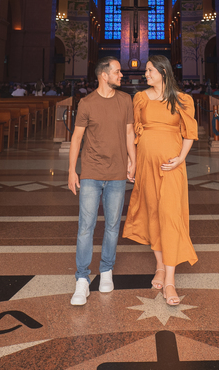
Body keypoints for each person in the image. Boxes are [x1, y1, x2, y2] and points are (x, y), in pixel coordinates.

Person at [123, 54, 198, 307]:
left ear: (163, 73)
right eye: (146, 71)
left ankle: (170, 281)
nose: (146, 75)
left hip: (171, 166)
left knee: (170, 215)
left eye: (150, 71)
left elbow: (189, 133)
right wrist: (132, 162)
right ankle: (159, 266)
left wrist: (180, 159)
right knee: (152, 212)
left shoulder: (184, 99)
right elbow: (133, 131)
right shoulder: (140, 98)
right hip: (145, 164)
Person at [68, 57, 135, 306]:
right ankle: (82, 280)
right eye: (117, 72)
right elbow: (76, 138)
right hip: (91, 173)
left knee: (112, 225)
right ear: (103, 75)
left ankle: (106, 270)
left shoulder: (125, 100)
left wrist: (133, 161)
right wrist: (71, 171)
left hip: (117, 173)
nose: (121, 75)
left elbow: (130, 133)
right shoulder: (86, 103)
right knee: (85, 226)